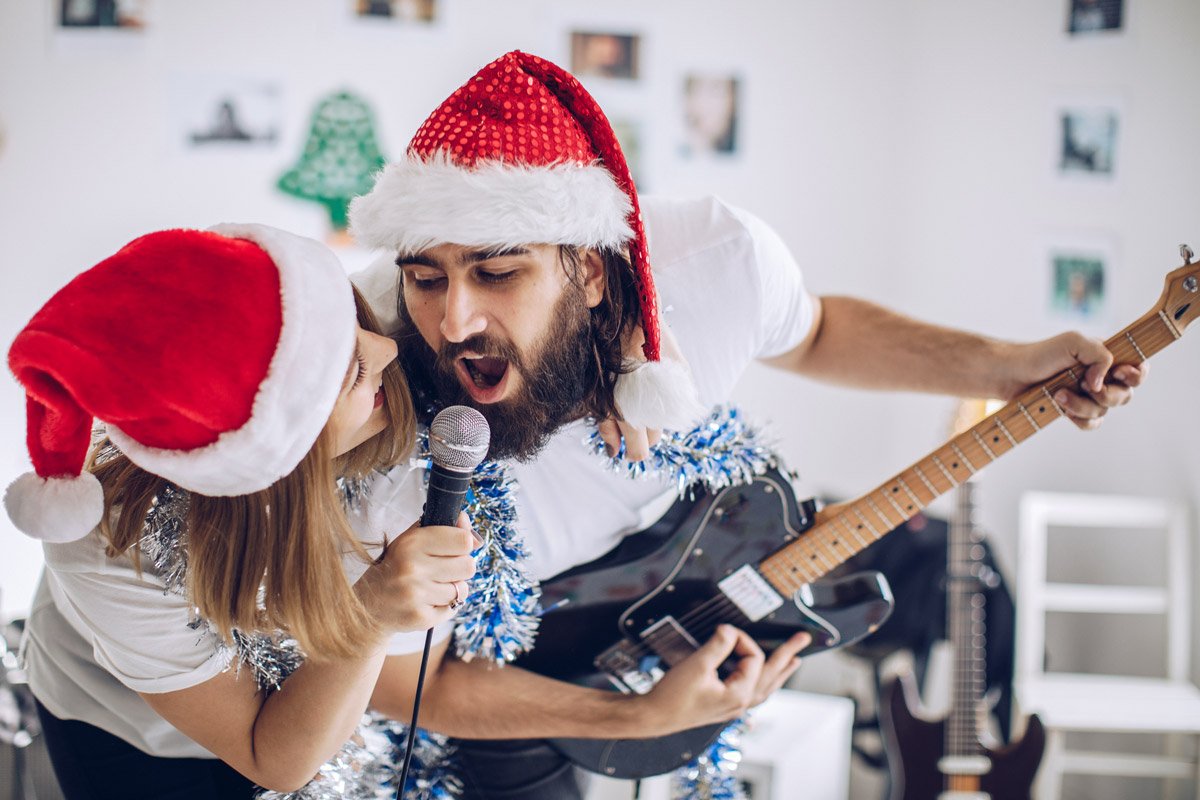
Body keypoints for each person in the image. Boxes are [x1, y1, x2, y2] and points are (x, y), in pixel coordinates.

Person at [347, 51, 1147, 799]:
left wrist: (1009, 366)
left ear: (590, 271)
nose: (452, 322)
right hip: (508, 665)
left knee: (935, 563)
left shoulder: (714, 265)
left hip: (682, 554)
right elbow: (409, 681)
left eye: (497, 272)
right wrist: (639, 718)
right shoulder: (380, 431)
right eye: (424, 279)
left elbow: (820, 332)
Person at [4, 224, 478, 798]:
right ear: (276, 449)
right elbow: (274, 758)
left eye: (359, 329)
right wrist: (372, 614)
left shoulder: (325, 330)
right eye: (352, 370)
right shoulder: (110, 545)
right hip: (134, 736)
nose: (388, 348)